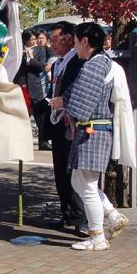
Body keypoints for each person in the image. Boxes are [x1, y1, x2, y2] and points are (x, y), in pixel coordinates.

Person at [48, 22, 128, 251]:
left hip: (92, 131)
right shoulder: (99, 63)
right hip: (91, 131)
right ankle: (111, 216)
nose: (74, 47)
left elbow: (81, 106)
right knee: (80, 182)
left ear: (85, 41)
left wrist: (64, 103)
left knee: (88, 186)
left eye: (75, 42)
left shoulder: (95, 65)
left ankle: (97, 236)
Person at [47, 21, 88, 233]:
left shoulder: (79, 61)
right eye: (51, 39)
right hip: (57, 123)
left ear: (70, 38)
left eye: (56, 39)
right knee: (60, 172)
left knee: (74, 174)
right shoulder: (57, 63)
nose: (52, 43)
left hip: (73, 125)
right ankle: (67, 213)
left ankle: (81, 219)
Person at [15, 29, 51, 150]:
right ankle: (19, 142)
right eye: (32, 39)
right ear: (25, 40)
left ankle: (43, 141)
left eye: (35, 39)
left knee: (40, 115)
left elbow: (41, 67)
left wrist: (31, 58)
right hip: (21, 85)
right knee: (21, 115)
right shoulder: (18, 50)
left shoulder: (40, 50)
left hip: (35, 86)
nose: (35, 41)